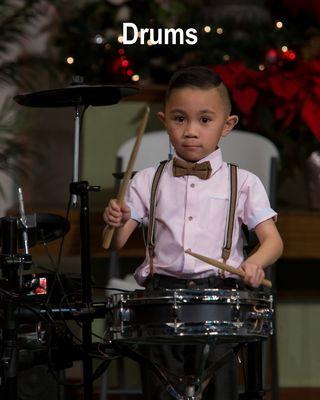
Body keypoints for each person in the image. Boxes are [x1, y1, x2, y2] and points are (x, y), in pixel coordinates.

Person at [103, 66, 283, 400]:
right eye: (179, 119)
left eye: (204, 119)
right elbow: (117, 241)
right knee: (161, 388)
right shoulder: (145, 180)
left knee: (220, 389)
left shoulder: (243, 182)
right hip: (161, 296)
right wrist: (117, 218)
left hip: (219, 298)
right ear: (164, 120)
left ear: (226, 125)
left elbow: (273, 240)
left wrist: (256, 262)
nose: (190, 131)